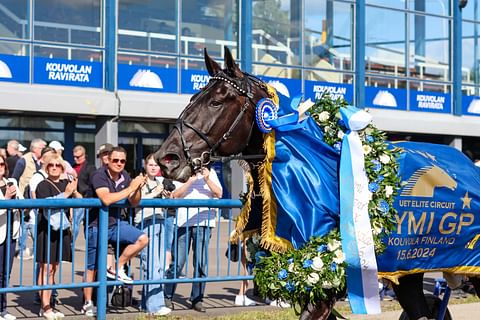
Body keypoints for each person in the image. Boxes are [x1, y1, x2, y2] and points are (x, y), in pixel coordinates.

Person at [83, 146, 148, 317]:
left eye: (123, 161)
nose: (119, 164)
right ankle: (88, 302)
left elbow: (133, 202)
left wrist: (138, 187)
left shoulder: (125, 176)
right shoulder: (99, 175)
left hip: (116, 224)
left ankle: (118, 266)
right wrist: (130, 188)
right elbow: (106, 199)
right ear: (108, 160)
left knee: (142, 239)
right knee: (93, 268)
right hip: (96, 225)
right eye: (115, 160)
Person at [165, 166, 222, 312]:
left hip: (204, 224)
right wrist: (190, 180)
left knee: (201, 263)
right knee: (178, 263)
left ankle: (197, 299)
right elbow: (175, 195)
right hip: (183, 223)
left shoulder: (211, 173)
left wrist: (207, 179)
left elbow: (219, 193)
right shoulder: (182, 172)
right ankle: (167, 296)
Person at [35, 153, 82, 320]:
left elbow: (81, 201)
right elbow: (47, 203)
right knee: (45, 268)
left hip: (61, 229)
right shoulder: (42, 184)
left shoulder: (65, 184)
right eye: (51, 165)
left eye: (58, 165)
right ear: (46, 167)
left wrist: (74, 190)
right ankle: (45, 306)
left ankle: (49, 304)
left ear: (62, 168)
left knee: (53, 269)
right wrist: (66, 194)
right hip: (46, 230)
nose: (54, 167)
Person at [135, 154, 172, 316]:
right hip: (145, 222)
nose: (153, 167)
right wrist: (155, 193)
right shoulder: (140, 180)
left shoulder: (160, 182)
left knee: (159, 264)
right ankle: (156, 306)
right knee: (151, 264)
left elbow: (167, 204)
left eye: (156, 165)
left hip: (160, 221)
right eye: (150, 164)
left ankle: (146, 303)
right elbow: (137, 200)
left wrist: (167, 197)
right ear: (145, 165)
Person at [14, 139, 46, 260]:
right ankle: (22, 251)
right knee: (24, 225)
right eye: (42, 147)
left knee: (33, 224)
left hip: (35, 200)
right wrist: (19, 197)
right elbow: (15, 178)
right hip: (25, 200)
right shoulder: (23, 160)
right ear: (35, 148)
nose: (44, 150)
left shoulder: (39, 162)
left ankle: (37, 249)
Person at [0, 154, 21, 320]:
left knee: (6, 274)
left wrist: (17, 202)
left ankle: (3, 309)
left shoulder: (11, 182)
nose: (0, 167)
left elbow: (22, 206)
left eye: (1, 164)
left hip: (10, 234)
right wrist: (6, 200)